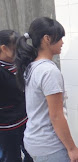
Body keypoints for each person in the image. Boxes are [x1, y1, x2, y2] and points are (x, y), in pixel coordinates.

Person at [14, 17, 78, 162]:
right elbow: (56, 116)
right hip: (49, 146)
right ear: (47, 39)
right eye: (60, 38)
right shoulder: (49, 71)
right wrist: (72, 149)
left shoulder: (32, 66)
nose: (62, 42)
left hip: (33, 139)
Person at [0, 30, 33, 162]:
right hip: (6, 127)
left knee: (31, 154)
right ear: (3, 48)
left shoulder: (18, 64)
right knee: (11, 158)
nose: (20, 52)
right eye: (16, 49)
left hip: (24, 119)